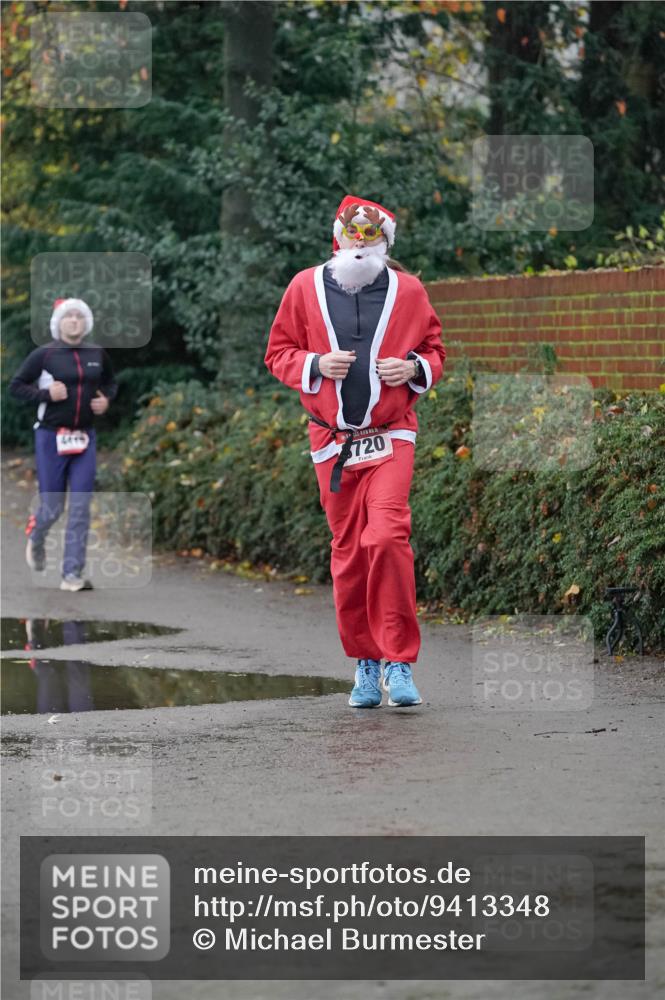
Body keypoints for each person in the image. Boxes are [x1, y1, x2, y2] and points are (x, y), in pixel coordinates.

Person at [265, 195, 446, 708]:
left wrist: (414, 368)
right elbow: (277, 353)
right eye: (353, 234)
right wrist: (316, 364)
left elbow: (435, 350)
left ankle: (399, 661)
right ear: (338, 237)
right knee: (348, 555)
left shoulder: (409, 290)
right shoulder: (304, 286)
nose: (360, 243)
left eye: (372, 235)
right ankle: (366, 662)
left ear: (385, 242)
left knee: (386, 537)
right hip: (333, 442)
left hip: (391, 435)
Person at [9, 297, 118, 591]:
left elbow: (111, 382)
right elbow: (16, 387)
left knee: (81, 506)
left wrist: (106, 400)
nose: (74, 321)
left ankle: (72, 574)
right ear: (59, 322)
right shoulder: (44, 355)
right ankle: (37, 535)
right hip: (50, 437)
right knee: (53, 506)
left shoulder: (96, 353)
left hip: (84, 437)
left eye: (79, 316)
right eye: (69, 316)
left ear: (86, 322)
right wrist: (46, 395)